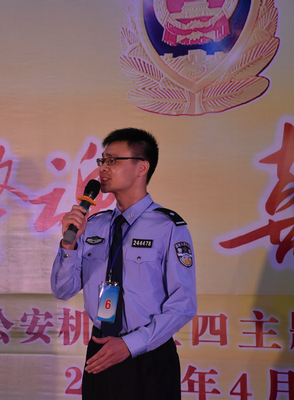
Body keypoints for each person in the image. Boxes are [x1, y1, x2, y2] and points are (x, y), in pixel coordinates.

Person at [51, 128, 197, 399]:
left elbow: (183, 305)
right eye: (102, 161)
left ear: (142, 167)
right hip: (100, 351)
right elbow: (62, 289)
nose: (103, 169)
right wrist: (69, 245)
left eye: (113, 160)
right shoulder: (93, 225)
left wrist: (130, 345)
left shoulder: (168, 226)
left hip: (148, 354)